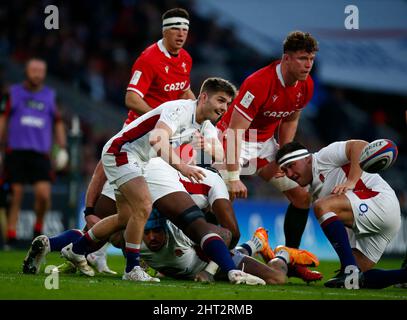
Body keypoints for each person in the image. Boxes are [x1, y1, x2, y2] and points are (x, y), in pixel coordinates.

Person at [59, 77, 265, 285]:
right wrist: (182, 166)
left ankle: (76, 249)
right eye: (221, 100)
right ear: (203, 97)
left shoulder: (204, 125)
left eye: (227, 104)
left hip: (140, 159)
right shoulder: (179, 110)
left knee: (124, 218)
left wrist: (210, 148)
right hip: (122, 151)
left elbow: (221, 154)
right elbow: (157, 139)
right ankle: (131, 268)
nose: (224, 108)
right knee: (143, 207)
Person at [82, 7, 196, 267]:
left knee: (135, 208)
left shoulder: (185, 59)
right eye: (176, 29)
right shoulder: (149, 58)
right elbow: (131, 98)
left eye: (185, 30)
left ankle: (93, 253)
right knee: (113, 206)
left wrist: (200, 112)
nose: (181, 34)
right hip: (135, 140)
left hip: (161, 141)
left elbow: (184, 90)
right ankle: (83, 249)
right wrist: (159, 117)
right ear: (164, 30)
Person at [216, 31, 318, 276]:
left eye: (311, 59)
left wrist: (284, 155)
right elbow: (234, 131)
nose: (308, 64)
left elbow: (291, 118)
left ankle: (290, 259)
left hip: (264, 145)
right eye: (303, 58)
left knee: (302, 197)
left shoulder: (306, 85)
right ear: (286, 59)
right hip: (232, 139)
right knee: (221, 199)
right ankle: (215, 258)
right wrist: (233, 177)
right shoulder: (259, 82)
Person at [276, 140, 407, 289]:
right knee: (356, 281)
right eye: (285, 170)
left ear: (306, 158)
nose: (290, 174)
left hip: (380, 201)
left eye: (292, 166)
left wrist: (351, 181)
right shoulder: (311, 188)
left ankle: (348, 269)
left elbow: (360, 146)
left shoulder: (323, 157)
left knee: (322, 206)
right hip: (387, 218)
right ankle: (403, 276)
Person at [0, 58, 68, 248]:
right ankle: (10, 238)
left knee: (44, 195)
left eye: (41, 70)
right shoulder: (12, 93)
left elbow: (58, 122)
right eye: (34, 69)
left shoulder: (50, 96)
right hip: (16, 151)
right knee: (15, 194)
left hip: (41, 153)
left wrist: (62, 148)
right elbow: (3, 119)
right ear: (26, 71)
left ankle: (37, 231)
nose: (37, 73)